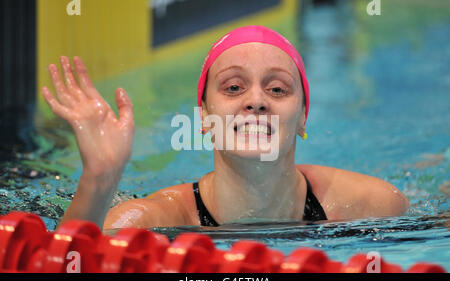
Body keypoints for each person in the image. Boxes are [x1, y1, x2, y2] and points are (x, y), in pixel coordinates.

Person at [42, 26, 409, 230]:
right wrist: (100, 177)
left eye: (277, 88)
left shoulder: (372, 205)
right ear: (203, 116)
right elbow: (65, 265)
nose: (256, 100)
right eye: (233, 87)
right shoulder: (152, 221)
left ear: (302, 117)